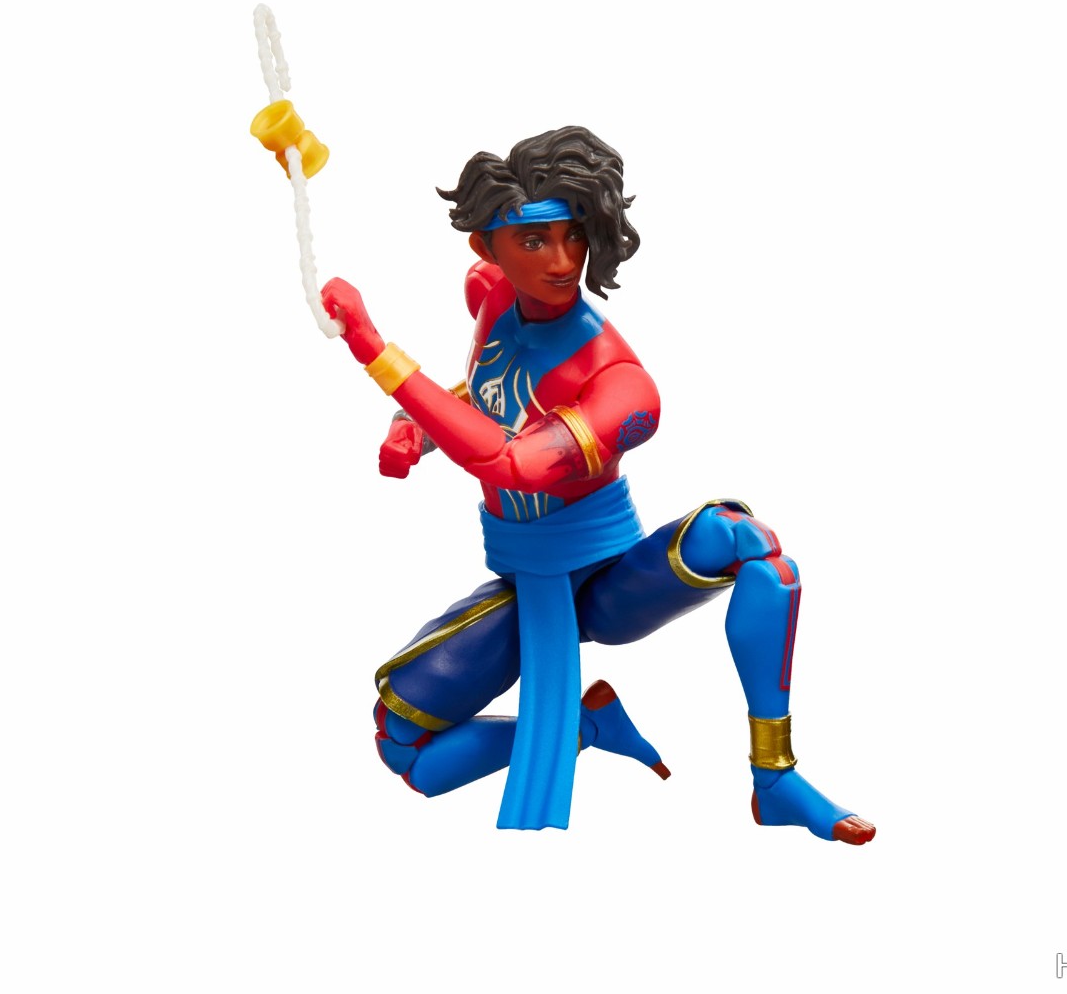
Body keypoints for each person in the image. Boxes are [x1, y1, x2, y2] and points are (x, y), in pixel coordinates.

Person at [321, 125, 874, 842]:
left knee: (749, 545)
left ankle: (775, 777)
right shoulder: (493, 297)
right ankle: (587, 727)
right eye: (534, 240)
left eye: (574, 235)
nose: (562, 261)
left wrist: (375, 352)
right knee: (404, 747)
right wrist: (416, 426)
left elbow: (511, 461)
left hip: (608, 581)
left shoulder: (620, 381)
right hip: (524, 577)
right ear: (486, 247)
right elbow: (490, 395)